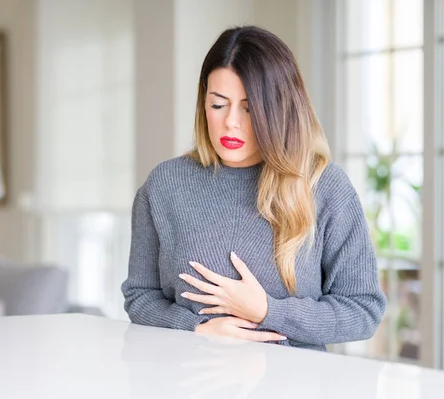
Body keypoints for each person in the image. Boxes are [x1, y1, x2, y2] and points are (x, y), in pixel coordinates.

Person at [120, 25, 387, 351]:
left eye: (249, 108)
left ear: (279, 108)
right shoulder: (164, 186)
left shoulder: (324, 186)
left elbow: (363, 311)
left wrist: (266, 310)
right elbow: (140, 296)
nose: (231, 121)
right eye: (218, 105)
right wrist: (195, 328)